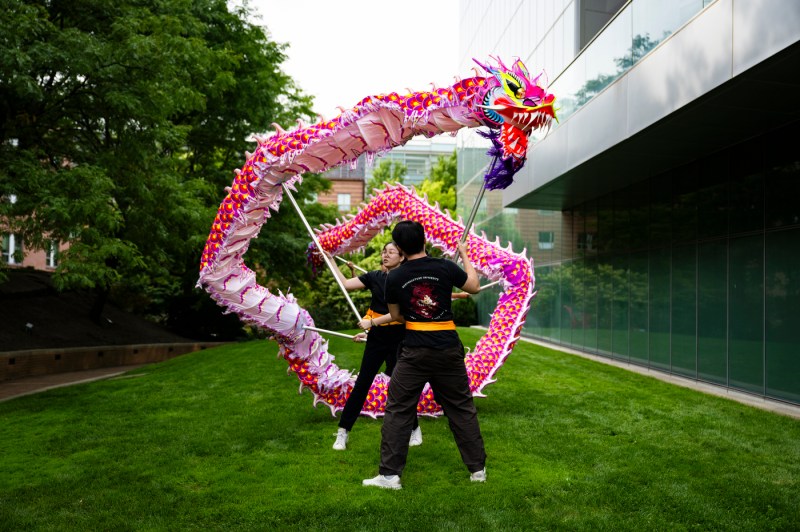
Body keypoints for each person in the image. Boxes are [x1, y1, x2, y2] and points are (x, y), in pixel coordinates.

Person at [362, 220, 485, 490]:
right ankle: (478, 470)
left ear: (401, 250)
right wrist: (463, 253)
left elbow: (396, 316)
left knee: (398, 409)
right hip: (448, 348)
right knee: (461, 408)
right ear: (424, 241)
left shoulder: (394, 277)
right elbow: (474, 286)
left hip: (415, 350)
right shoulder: (444, 266)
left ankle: (390, 476)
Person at [325, 242, 422, 451]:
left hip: (399, 338)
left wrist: (371, 323)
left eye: (391, 252)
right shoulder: (374, 277)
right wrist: (330, 259)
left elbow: (402, 314)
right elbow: (345, 284)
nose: (385, 255)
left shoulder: (407, 281)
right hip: (377, 338)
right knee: (362, 384)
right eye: (384, 252)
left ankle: (414, 429)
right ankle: (343, 432)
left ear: (402, 257)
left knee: (400, 386)